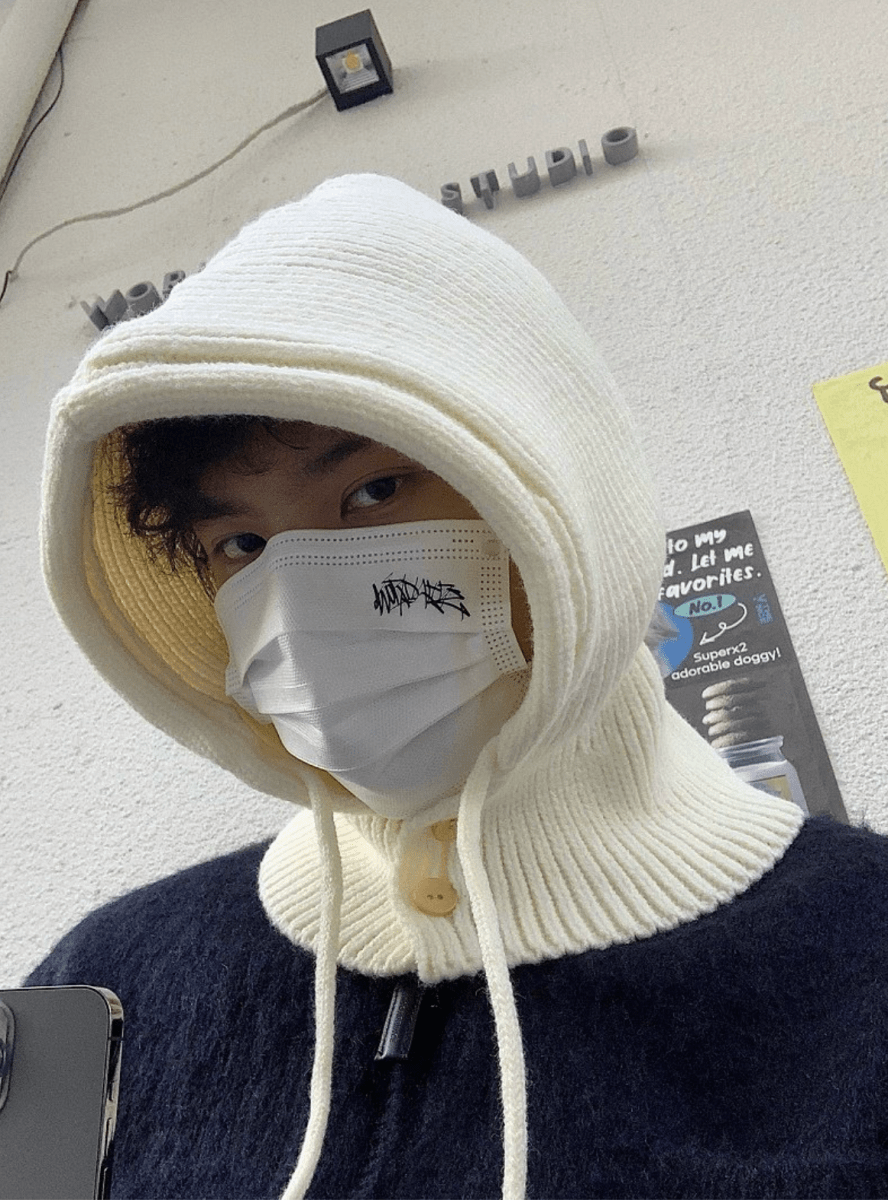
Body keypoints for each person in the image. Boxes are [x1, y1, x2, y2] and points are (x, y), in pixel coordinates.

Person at [29, 174, 888, 1200]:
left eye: (373, 490)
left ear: (557, 497)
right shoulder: (102, 990)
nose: (296, 600)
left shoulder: (863, 954)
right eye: (240, 544)